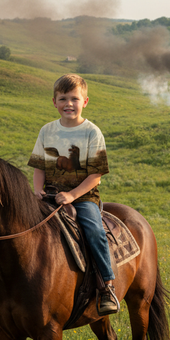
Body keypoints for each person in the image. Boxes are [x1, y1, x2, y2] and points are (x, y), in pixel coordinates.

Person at [27, 73, 119, 316]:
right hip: (49, 195)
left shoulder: (92, 132)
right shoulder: (47, 130)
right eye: (63, 98)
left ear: (85, 102)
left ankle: (106, 285)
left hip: (84, 197)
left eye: (74, 99)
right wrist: (38, 190)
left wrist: (72, 195)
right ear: (54, 102)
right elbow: (39, 167)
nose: (69, 103)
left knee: (94, 230)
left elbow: (96, 176)